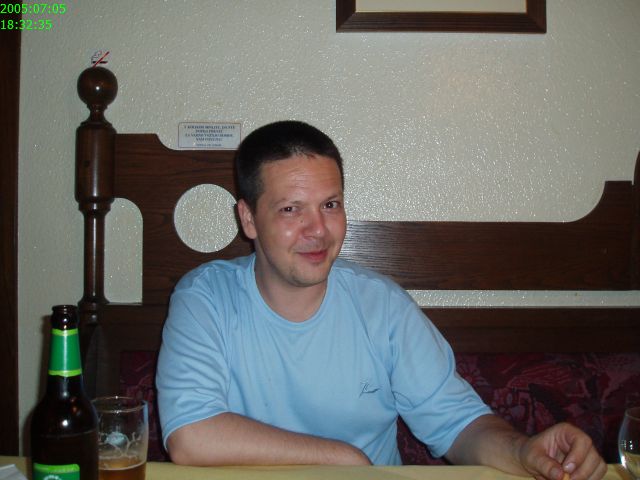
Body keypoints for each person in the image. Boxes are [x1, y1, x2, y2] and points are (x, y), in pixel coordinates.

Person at [156, 120, 606, 479]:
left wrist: (523, 450)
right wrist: (344, 459)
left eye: (330, 205)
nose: (318, 230)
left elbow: (458, 423)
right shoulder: (205, 299)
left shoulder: (382, 307)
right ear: (249, 219)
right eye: (291, 209)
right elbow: (192, 436)